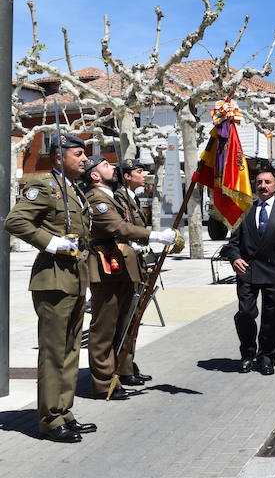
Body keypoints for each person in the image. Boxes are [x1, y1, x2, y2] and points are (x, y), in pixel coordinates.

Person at [4, 133, 96, 442]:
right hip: (53, 280)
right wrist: (51, 243)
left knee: (70, 351)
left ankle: (64, 411)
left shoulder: (75, 190)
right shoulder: (44, 187)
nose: (84, 159)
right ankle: (49, 419)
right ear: (59, 157)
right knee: (53, 352)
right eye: (78, 154)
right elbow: (15, 222)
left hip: (74, 278)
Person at [82, 156, 176, 400]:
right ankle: (104, 384)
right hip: (105, 266)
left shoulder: (110, 196)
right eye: (105, 165)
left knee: (122, 324)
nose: (112, 167)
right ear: (94, 175)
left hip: (120, 265)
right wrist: (155, 236)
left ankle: (117, 373)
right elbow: (118, 228)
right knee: (105, 328)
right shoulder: (97, 199)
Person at [223, 171, 275, 374]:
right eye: (259, 182)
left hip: (274, 271)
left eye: (267, 182)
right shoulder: (244, 209)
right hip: (247, 271)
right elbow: (232, 244)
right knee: (245, 313)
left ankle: (267, 357)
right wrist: (235, 258)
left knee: (272, 318)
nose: (263, 185)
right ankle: (248, 354)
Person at [113, 158, 158, 387]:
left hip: (138, 263)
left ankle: (129, 364)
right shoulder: (119, 198)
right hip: (126, 264)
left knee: (134, 318)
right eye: (139, 171)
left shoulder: (133, 198)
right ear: (127, 176)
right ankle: (124, 367)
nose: (144, 174)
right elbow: (121, 229)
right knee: (127, 318)